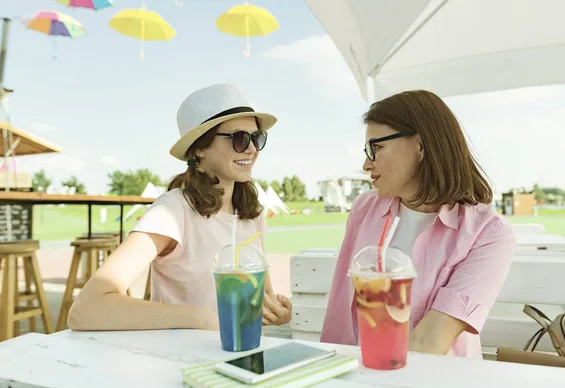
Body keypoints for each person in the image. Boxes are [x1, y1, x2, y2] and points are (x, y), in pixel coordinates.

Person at [68, 83, 292, 331]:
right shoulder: (174, 210)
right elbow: (87, 309)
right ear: (200, 148)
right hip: (180, 360)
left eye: (257, 137)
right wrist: (202, 320)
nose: (251, 148)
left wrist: (276, 312)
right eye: (239, 138)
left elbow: (261, 300)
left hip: (239, 360)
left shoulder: (253, 215)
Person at [320, 90, 517, 359]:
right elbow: (341, 317)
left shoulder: (489, 234)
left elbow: (430, 341)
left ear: (421, 145)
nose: (366, 164)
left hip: (432, 385)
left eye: (375, 148)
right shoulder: (363, 209)